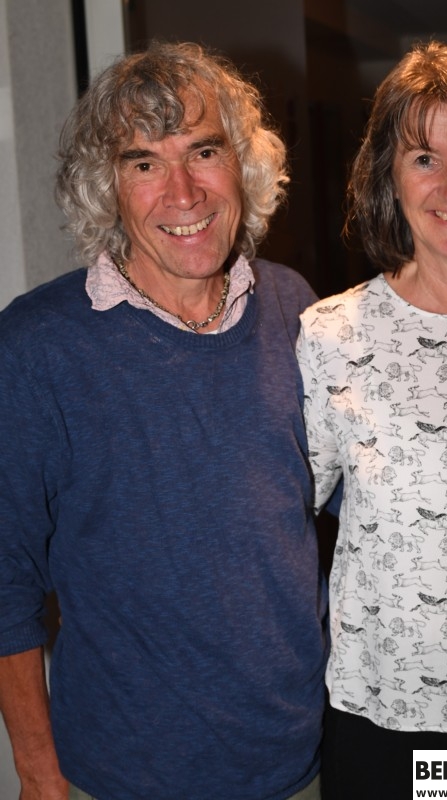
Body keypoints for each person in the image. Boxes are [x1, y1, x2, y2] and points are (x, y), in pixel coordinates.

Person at [0, 41, 328, 800]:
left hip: (298, 767)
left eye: (204, 151)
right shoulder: (35, 346)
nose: (183, 192)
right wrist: (39, 772)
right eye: (144, 162)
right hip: (117, 778)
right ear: (107, 186)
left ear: (242, 164)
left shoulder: (295, 308)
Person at [297, 41, 447, 799]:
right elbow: (278, 522)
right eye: (425, 158)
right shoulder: (331, 336)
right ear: (388, 177)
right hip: (388, 719)